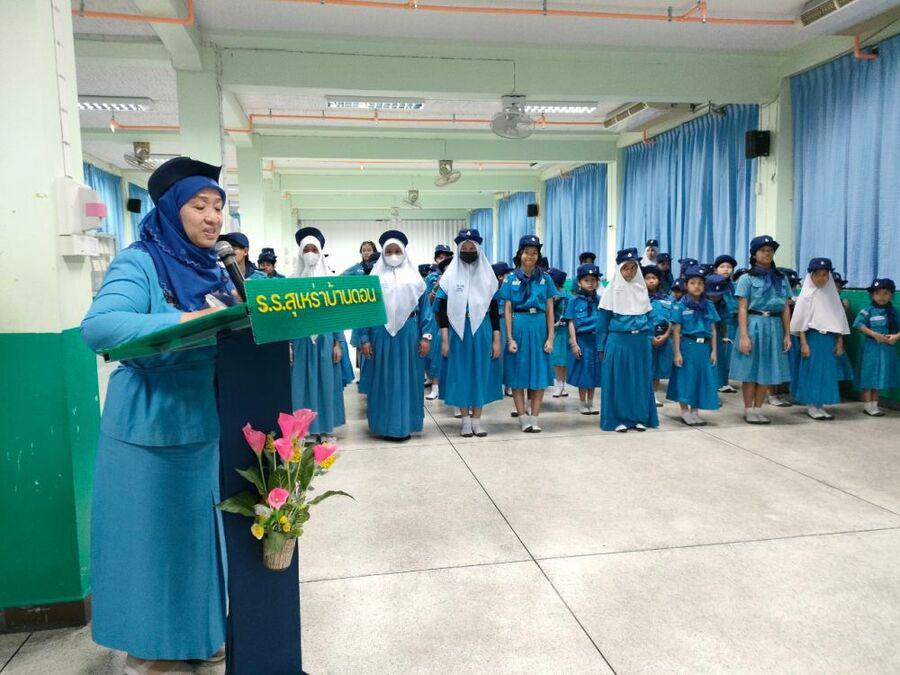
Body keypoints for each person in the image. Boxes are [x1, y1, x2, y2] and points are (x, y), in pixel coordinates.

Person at [80, 157, 229, 672]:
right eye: (199, 206)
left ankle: (202, 634)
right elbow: (100, 327)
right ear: (170, 209)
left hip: (208, 418)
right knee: (150, 538)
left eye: (218, 207)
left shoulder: (216, 267)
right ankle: (149, 647)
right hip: (150, 423)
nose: (212, 218)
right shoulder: (139, 262)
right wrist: (190, 317)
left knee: (200, 539)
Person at [356, 230, 432, 441]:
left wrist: (426, 337)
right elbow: (364, 311)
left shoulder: (416, 280)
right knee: (382, 380)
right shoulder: (373, 279)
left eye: (397, 251)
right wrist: (364, 338)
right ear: (382, 254)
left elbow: (425, 311)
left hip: (409, 334)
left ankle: (406, 425)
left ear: (404, 252)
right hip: (380, 334)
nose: (393, 255)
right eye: (388, 251)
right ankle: (383, 426)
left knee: (409, 379)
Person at [435, 229, 503, 437]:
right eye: (463, 247)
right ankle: (465, 420)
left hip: (482, 329)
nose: (467, 250)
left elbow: (494, 311)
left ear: (478, 249)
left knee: (480, 372)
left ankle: (477, 420)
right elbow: (441, 309)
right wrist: (444, 339)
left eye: (471, 247)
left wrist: (496, 340)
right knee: (461, 374)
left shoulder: (488, 277)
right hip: (457, 331)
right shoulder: (449, 276)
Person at [730, 235, 792, 424]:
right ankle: (749, 410)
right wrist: (743, 336)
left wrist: (787, 334)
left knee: (767, 368)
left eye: (770, 251)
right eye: (763, 250)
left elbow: (785, 307)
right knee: (750, 370)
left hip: (774, 326)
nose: (767, 254)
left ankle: (758, 409)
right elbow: (742, 308)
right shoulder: (746, 279)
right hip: (754, 324)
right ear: (754, 254)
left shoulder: (781, 278)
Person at [291, 227, 346, 437]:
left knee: (326, 382)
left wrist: (338, 342)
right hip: (300, 340)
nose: (310, 254)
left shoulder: (330, 282)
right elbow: (286, 317)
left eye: (314, 250)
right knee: (301, 383)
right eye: (306, 250)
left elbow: (337, 314)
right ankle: (302, 429)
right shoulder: (291, 281)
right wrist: (288, 344)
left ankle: (325, 426)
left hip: (325, 338)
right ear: (300, 253)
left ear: (321, 252)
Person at [597, 248, 658, 432]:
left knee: (639, 380)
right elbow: (602, 324)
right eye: (626, 268)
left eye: (633, 268)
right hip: (618, 342)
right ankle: (617, 419)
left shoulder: (641, 289)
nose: (630, 272)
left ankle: (638, 417)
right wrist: (601, 347)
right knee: (618, 381)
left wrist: (650, 337)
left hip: (640, 343)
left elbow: (650, 318)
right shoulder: (611, 291)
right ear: (619, 269)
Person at [501, 235, 558, 433]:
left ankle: (535, 417)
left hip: (539, 325)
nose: (530, 256)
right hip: (519, 324)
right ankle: (522, 417)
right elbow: (507, 310)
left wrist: (550, 337)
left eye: (534, 253)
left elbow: (550, 309)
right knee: (518, 372)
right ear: (520, 254)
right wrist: (509, 338)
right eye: (526, 252)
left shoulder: (545, 278)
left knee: (539, 373)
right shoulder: (510, 279)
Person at [790, 258, 850, 420]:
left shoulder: (832, 296)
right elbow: (801, 321)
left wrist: (839, 341)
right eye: (817, 275)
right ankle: (811, 405)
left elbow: (839, 320)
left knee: (826, 373)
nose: (821, 278)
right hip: (813, 338)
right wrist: (804, 343)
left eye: (825, 275)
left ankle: (821, 405)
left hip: (829, 340)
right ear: (811, 276)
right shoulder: (806, 295)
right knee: (813, 372)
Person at [667, 267, 720, 426]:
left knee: (699, 379)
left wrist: (714, 351)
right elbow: (677, 331)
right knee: (685, 379)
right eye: (693, 283)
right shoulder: (681, 305)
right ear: (686, 285)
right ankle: (685, 411)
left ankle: (695, 411)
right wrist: (677, 353)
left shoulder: (708, 305)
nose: (696, 286)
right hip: (687, 346)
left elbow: (713, 329)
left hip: (704, 348)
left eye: (700, 283)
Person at [853, 278, 899, 416]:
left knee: (879, 376)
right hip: (871, 348)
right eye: (877, 293)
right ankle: (868, 406)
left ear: (891, 295)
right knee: (869, 375)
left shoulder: (893, 312)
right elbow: (858, 324)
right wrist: (874, 334)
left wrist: (896, 337)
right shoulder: (868, 310)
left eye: (886, 293)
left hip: (886, 349)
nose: (881, 297)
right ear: (872, 295)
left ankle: (875, 405)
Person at [564, 264, 602, 415]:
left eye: (593, 280)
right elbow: (571, 322)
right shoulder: (574, 301)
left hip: (596, 340)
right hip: (582, 340)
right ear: (579, 282)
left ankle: (591, 402)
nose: (590, 283)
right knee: (583, 372)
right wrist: (574, 343)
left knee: (594, 372)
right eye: (586, 280)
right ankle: (582, 402)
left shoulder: (600, 300)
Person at [643, 265, 673, 407]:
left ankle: (654, 395)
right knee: (645, 366)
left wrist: (666, 335)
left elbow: (672, 319)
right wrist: (650, 338)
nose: (651, 281)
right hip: (645, 338)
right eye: (648, 278)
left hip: (663, 338)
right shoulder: (639, 298)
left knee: (657, 368)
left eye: (654, 278)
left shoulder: (666, 298)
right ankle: (643, 395)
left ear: (659, 280)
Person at [425, 255, 453, 401]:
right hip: (442, 326)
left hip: (461, 327)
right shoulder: (439, 286)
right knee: (438, 356)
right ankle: (435, 387)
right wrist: (442, 327)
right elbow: (434, 308)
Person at [492, 262, 514, 396]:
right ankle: (496, 384)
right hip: (497, 322)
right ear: (500, 277)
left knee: (509, 354)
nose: (509, 277)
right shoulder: (491, 289)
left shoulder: (510, 288)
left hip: (509, 321)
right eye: (506, 274)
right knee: (497, 355)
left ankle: (508, 384)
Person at [549, 268, 571, 398]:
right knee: (556, 359)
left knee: (564, 359)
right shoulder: (549, 296)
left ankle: (562, 385)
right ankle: (559, 384)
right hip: (555, 331)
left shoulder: (567, 297)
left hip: (565, 330)